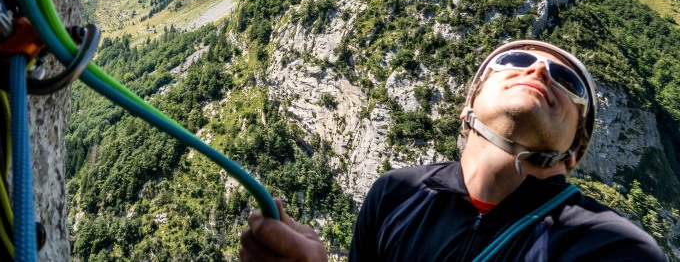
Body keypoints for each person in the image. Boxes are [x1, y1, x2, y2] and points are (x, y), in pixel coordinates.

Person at [239, 40, 668, 261]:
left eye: (567, 80)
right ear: (469, 104)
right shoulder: (395, 194)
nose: (538, 69)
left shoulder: (611, 248)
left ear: (575, 148)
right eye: (515, 61)